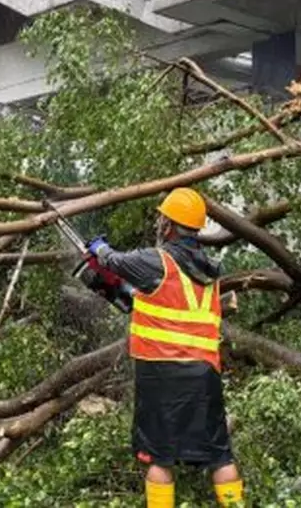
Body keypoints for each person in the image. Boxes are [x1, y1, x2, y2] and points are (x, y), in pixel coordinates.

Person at [84, 187, 244, 508]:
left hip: (161, 373)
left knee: (159, 457)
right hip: (204, 373)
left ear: (169, 224)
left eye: (162, 219)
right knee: (220, 455)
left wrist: (99, 248)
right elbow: (172, 305)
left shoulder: (156, 261)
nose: (159, 223)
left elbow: (114, 261)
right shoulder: (210, 270)